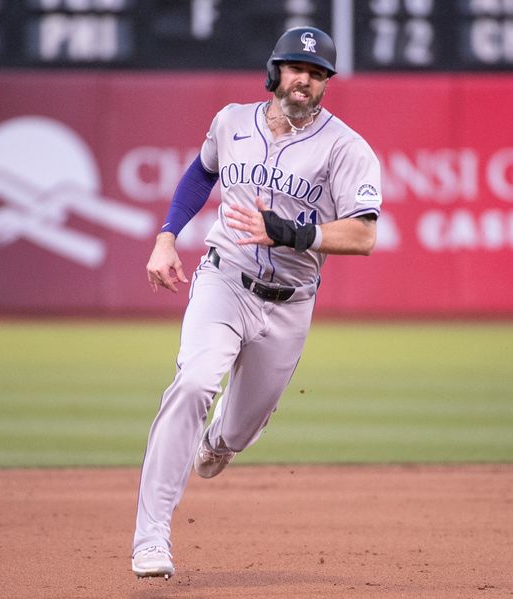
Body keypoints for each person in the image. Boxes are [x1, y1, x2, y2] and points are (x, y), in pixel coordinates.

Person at [131, 26, 383, 579]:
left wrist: (288, 232)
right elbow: (202, 172)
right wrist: (167, 235)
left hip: (290, 303)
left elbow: (363, 237)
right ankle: (151, 537)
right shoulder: (230, 121)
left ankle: (222, 439)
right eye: (297, 69)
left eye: (317, 75)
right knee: (194, 383)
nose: (306, 82)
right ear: (275, 73)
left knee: (234, 434)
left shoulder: (346, 148)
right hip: (225, 278)